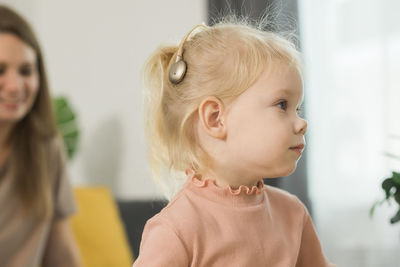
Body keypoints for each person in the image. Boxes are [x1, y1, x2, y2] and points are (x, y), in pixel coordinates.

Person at [133, 16, 336, 267]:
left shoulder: (293, 214)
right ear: (216, 118)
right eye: (282, 105)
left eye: (298, 108)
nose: (301, 123)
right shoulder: (176, 231)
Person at [0, 5, 81, 267]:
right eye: (0, 70)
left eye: (25, 70)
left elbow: (62, 254)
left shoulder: (46, 149)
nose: (15, 86)